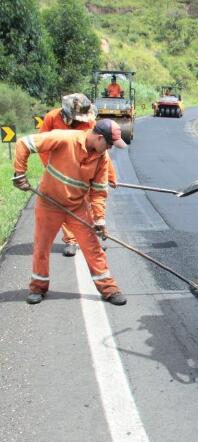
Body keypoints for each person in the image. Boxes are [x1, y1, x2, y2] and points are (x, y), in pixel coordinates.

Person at [12, 119, 128, 306]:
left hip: (77, 207)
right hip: (49, 204)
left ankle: (109, 288)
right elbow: (24, 143)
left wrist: (99, 219)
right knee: (42, 247)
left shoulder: (102, 158)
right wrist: (19, 173)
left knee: (93, 248)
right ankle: (37, 287)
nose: (109, 149)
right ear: (99, 138)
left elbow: (98, 191)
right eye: (109, 144)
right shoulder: (64, 138)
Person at [39, 93, 118, 257]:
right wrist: (50, 167)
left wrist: (109, 175)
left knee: (88, 203)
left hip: (85, 166)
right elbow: (43, 145)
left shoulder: (89, 120)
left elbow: (101, 150)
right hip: (61, 167)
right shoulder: (52, 118)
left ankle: (88, 240)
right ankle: (71, 241)